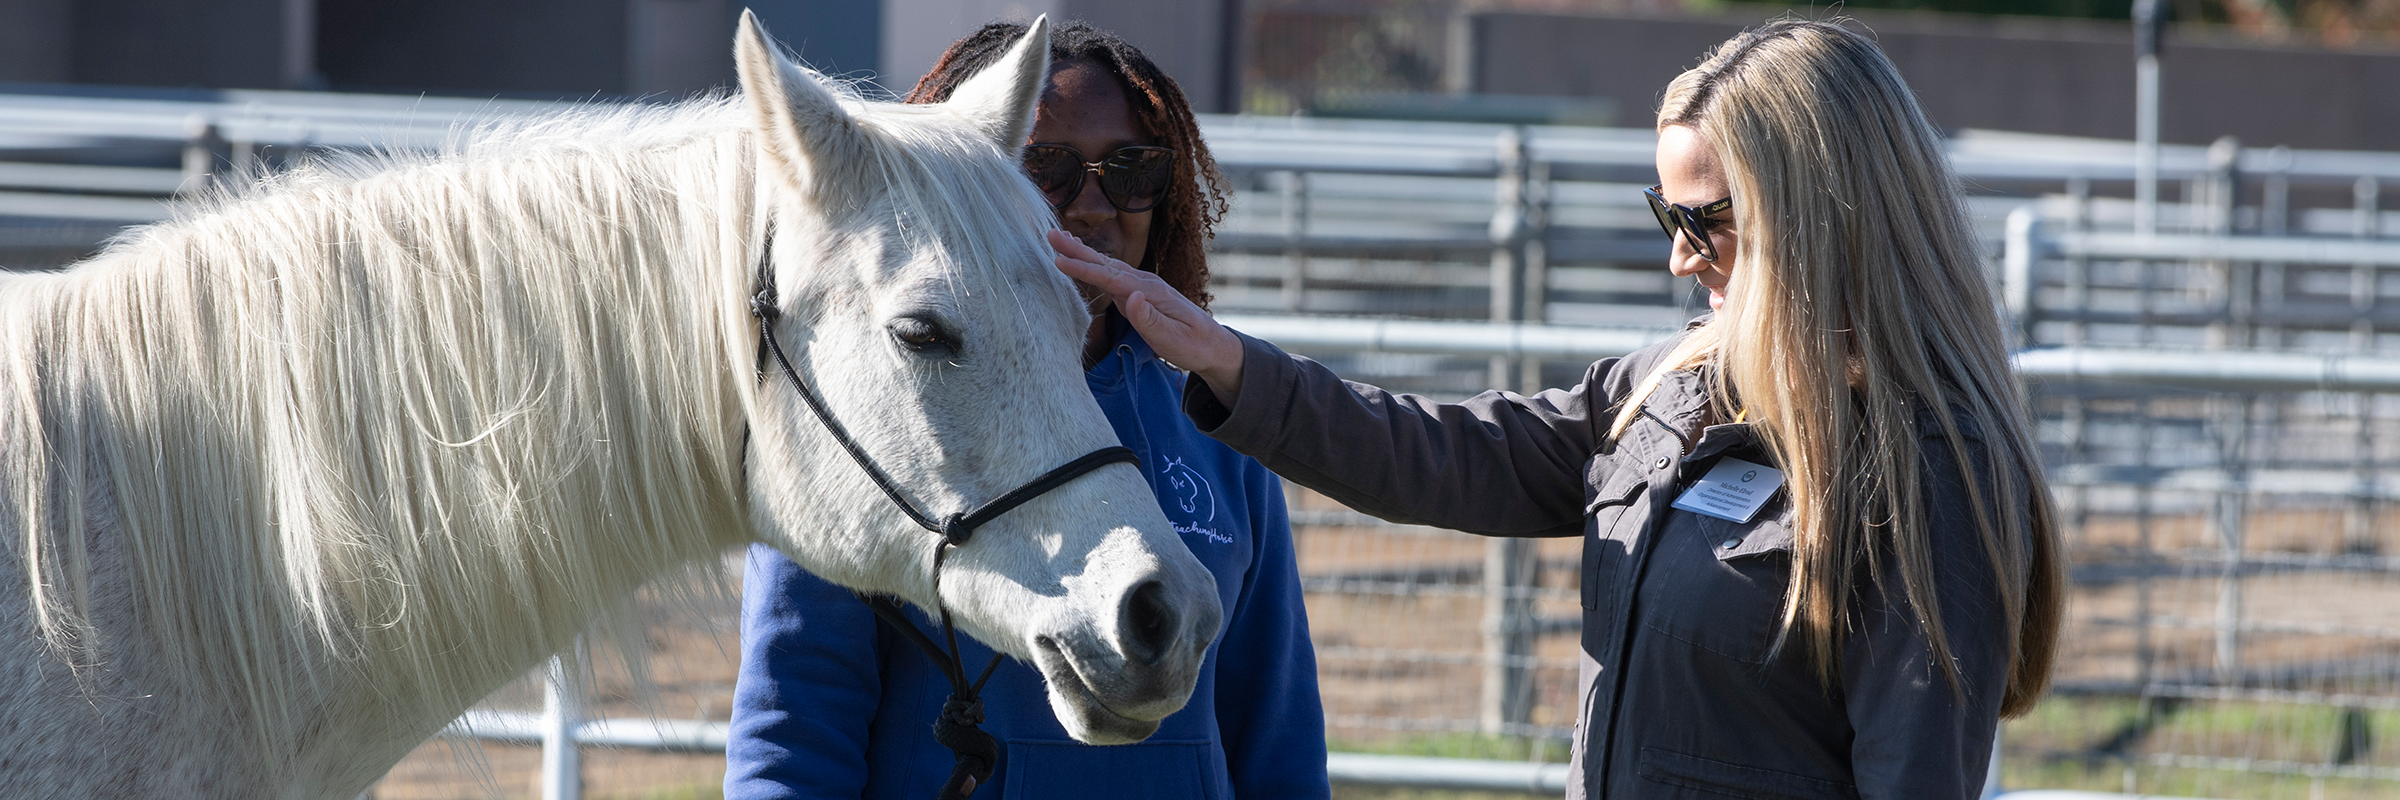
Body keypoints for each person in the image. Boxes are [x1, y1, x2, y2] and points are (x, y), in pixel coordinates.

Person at [1056, 19, 2065, 800]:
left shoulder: (1928, 470)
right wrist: (1228, 363)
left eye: (1704, 221)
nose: (1679, 256)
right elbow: (1439, 454)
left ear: (1818, 212)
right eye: (1663, 216)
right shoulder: (1667, 389)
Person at [724, 20, 1331, 800]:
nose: (1092, 206)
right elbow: (794, 729)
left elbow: (1274, 736)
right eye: (1045, 168)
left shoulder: (1216, 413)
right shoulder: (875, 401)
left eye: (1132, 170)